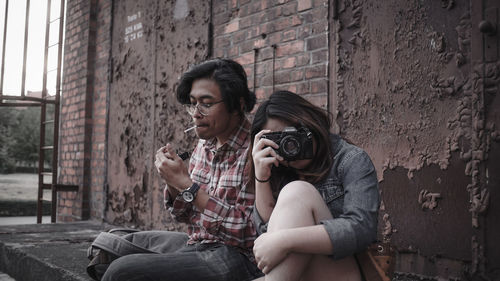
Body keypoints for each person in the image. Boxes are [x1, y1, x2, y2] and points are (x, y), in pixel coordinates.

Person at [101, 58, 263, 281]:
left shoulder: (256, 149)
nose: (196, 113)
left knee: (122, 272)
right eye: (192, 103)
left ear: (238, 105)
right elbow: (183, 215)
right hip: (198, 243)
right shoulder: (204, 146)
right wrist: (173, 181)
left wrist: (186, 185)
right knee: (109, 246)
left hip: (240, 257)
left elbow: (251, 234)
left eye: (206, 103)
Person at [250, 90, 380, 281]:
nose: (290, 146)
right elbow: (268, 240)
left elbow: (361, 229)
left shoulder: (351, 160)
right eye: (280, 141)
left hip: (340, 274)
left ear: (309, 122)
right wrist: (261, 177)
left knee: (298, 190)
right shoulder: (279, 171)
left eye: (293, 135)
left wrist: (286, 241)